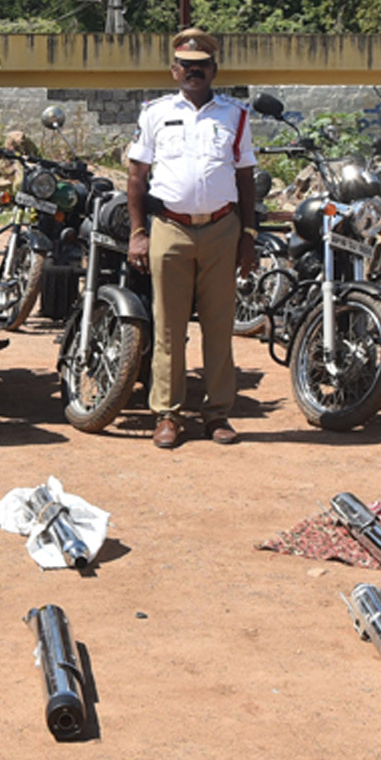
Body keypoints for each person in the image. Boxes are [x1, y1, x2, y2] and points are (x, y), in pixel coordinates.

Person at [125, 27, 258, 449]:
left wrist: (248, 235)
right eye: (186, 65)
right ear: (174, 70)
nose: (194, 72)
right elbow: (136, 177)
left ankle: (217, 414)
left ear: (214, 70)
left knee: (219, 327)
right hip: (170, 228)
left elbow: (245, 177)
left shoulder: (235, 116)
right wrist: (138, 233)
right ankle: (168, 414)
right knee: (169, 327)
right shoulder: (154, 113)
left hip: (222, 230)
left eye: (202, 66)